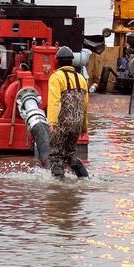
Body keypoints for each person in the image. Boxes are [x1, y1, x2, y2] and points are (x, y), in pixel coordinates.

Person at [47, 46, 90, 179]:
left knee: (56, 156)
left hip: (62, 123)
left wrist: (52, 123)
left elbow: (54, 102)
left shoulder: (56, 77)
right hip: (77, 124)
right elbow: (85, 105)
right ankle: (84, 178)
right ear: (72, 62)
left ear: (57, 62)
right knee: (70, 154)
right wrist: (84, 126)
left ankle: (58, 185)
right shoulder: (81, 79)